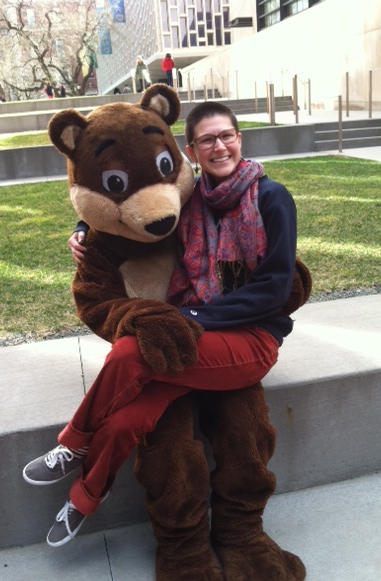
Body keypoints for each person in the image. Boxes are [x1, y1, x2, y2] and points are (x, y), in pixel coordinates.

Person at [23, 101, 298, 548]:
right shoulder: (190, 200)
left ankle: (73, 443)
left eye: (226, 135)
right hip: (200, 338)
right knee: (128, 419)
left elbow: (273, 289)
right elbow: (138, 200)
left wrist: (188, 316)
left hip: (252, 340)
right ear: (191, 150)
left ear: (239, 139)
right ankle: (84, 498)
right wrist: (82, 227)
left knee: (132, 350)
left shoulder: (270, 197)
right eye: (207, 140)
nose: (219, 146)